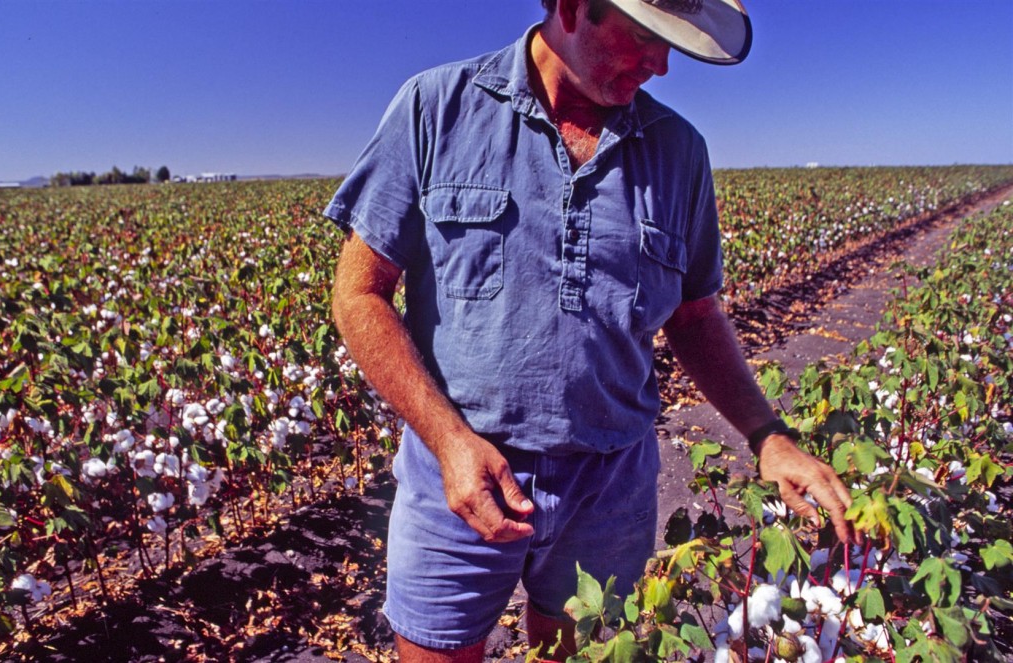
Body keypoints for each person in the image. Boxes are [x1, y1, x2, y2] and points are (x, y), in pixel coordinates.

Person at [326, 0, 856, 660]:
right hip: (457, 473)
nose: (661, 64)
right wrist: (448, 437)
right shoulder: (435, 108)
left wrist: (767, 435)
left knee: (582, 651)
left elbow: (694, 317)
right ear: (573, 7)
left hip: (609, 485)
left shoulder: (679, 152)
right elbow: (358, 294)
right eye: (643, 37)